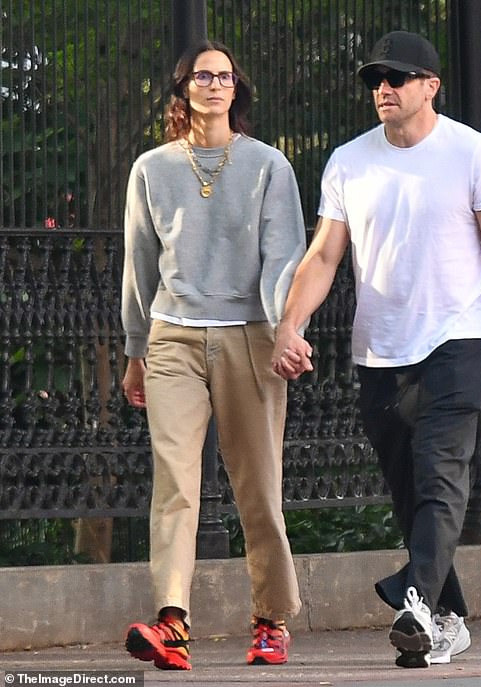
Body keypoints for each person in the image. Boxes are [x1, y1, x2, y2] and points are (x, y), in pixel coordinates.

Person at [272, 30, 481, 669]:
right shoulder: (350, 160)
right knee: (410, 492)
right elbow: (323, 255)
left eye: (398, 78)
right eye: (377, 78)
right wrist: (290, 324)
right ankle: (443, 618)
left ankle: (414, 598)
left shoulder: (474, 152)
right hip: (379, 351)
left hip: (457, 339)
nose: (384, 88)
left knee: (442, 475)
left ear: (430, 86)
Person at [121, 39, 305, 671]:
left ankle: (271, 619)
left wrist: (286, 329)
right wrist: (135, 348)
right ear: (183, 91)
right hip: (171, 337)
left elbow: (285, 256)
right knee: (175, 481)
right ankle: (173, 620)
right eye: (203, 75)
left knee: (258, 486)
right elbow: (140, 266)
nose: (215, 84)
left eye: (225, 76)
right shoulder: (151, 168)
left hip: (249, 337)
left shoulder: (267, 166)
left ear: (237, 89)